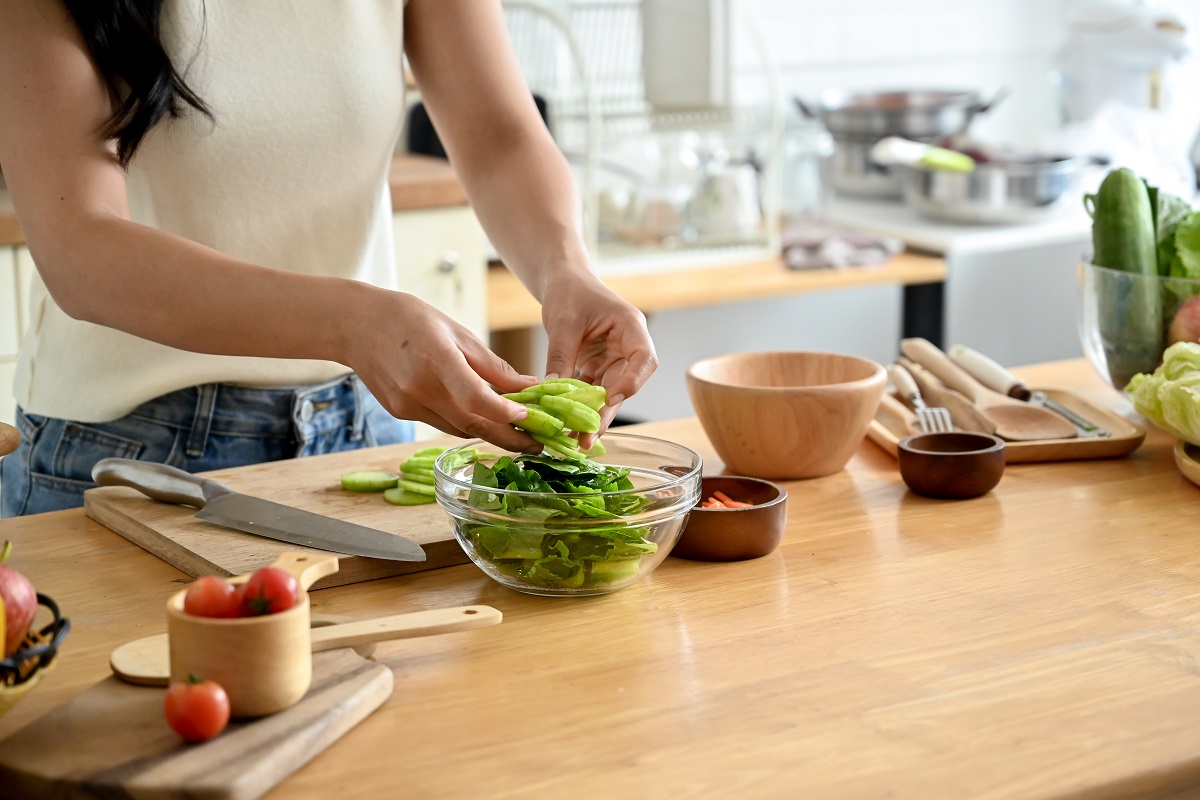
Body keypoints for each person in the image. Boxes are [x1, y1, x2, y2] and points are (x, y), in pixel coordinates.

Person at [0, 0, 657, 517]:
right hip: (130, 457)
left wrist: (565, 269)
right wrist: (352, 322)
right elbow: (82, 244)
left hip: (369, 427)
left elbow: (501, 136)